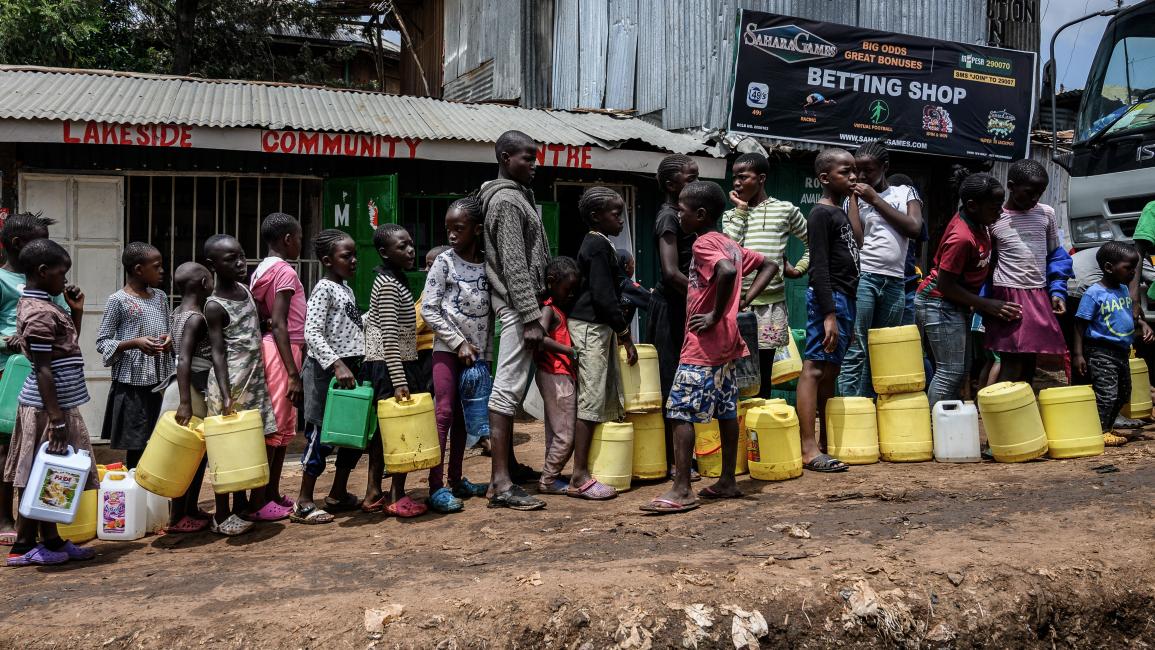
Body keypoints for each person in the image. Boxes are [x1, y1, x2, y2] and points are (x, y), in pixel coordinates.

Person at [642, 181, 777, 514]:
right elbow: (770, 264)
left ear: (700, 215)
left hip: (703, 345)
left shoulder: (704, 244)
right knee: (726, 411)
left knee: (679, 411)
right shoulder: (730, 243)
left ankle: (682, 490)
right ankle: (728, 480)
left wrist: (716, 312)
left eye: (683, 211)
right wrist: (742, 300)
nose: (678, 215)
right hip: (729, 346)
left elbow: (727, 270)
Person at [4, 238, 95, 566]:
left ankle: (49, 540)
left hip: (55, 406)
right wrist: (56, 420)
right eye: (61, 274)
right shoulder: (39, 311)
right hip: (46, 410)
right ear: (42, 273)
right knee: (42, 475)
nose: (66, 280)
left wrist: (76, 312)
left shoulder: (44, 303)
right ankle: (25, 545)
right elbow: (43, 368)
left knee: (51, 476)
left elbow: (64, 349)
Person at [480, 130, 550, 511]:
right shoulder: (507, 201)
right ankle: (500, 483)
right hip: (517, 308)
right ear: (506, 158)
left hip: (520, 307)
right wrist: (529, 315)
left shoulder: (519, 197)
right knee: (506, 390)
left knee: (514, 390)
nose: (535, 164)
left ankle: (507, 470)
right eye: (528, 157)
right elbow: (515, 265)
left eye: (535, 157)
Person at [915, 170, 1021, 407]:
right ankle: (934, 430)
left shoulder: (980, 224)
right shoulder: (962, 237)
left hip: (955, 303)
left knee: (959, 369)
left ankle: (949, 427)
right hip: (938, 302)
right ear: (973, 206)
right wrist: (987, 304)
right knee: (949, 372)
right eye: (995, 207)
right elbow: (944, 284)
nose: (1000, 211)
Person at [0, 213, 72, 547]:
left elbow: (63, 327)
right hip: (10, 372)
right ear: (18, 245)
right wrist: (9, 338)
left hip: (46, 372)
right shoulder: (3, 282)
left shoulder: (49, 287)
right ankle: (7, 518)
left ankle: (41, 531)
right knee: (9, 447)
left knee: (41, 451)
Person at [567, 187, 638, 501]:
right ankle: (579, 476)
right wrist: (624, 333)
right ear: (596, 216)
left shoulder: (601, 243)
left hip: (598, 328)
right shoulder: (596, 245)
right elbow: (603, 295)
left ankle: (594, 468)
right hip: (590, 328)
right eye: (615, 213)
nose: (621, 220)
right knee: (591, 400)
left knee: (602, 399)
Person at [837, 139, 923, 397]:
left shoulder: (905, 193)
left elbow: (914, 228)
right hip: (864, 278)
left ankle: (870, 408)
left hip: (896, 281)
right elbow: (857, 239)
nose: (861, 176)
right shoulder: (852, 200)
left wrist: (875, 200)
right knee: (857, 348)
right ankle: (850, 409)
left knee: (881, 349)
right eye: (856, 170)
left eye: (868, 170)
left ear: (885, 167)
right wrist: (854, 199)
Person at [421, 199, 491, 513]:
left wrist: (481, 351)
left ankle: (457, 478)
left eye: (458, 229)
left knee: (465, 419)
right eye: (448, 228)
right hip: (447, 350)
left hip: (478, 355)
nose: (451, 235)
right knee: (444, 413)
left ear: (476, 230)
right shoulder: (444, 263)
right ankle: (436, 487)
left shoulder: (489, 264)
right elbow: (430, 309)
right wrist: (458, 342)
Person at [203, 234, 275, 536]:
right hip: (230, 385)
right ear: (214, 265)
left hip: (254, 382)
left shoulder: (245, 291)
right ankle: (221, 514)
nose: (241, 263)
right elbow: (217, 351)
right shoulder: (214, 306)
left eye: (242, 255)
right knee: (226, 450)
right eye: (231, 259)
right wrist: (226, 393)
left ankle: (242, 505)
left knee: (248, 446)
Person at [293, 230, 366, 524]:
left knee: (351, 435)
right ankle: (304, 501)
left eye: (353, 255)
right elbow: (311, 333)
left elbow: (350, 324)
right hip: (327, 373)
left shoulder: (345, 289)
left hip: (350, 370)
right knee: (320, 437)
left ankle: (338, 493)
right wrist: (336, 364)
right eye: (346, 256)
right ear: (327, 260)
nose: (353, 260)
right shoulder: (323, 289)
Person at [722, 152, 809, 399]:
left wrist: (797, 269)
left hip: (770, 307)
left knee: (763, 374)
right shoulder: (731, 216)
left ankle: (760, 430)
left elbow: (813, 243)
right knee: (736, 372)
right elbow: (729, 250)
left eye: (743, 177)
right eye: (734, 178)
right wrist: (740, 210)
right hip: (737, 305)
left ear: (761, 178)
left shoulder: (785, 210)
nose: (737, 183)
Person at [797, 148, 862, 474]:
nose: (853, 177)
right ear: (824, 178)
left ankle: (822, 442)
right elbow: (819, 267)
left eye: (855, 172)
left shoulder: (839, 210)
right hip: (830, 298)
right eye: (845, 172)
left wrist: (852, 199)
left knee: (831, 371)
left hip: (844, 298)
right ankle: (808, 448)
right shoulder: (820, 214)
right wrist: (828, 314)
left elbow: (859, 240)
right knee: (814, 368)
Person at [360, 222, 427, 518]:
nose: (410, 250)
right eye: (402, 246)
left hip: (391, 364)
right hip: (392, 366)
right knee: (401, 428)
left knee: (384, 431)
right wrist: (400, 380)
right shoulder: (387, 284)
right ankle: (396, 495)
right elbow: (388, 334)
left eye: (411, 243)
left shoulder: (394, 278)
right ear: (384, 252)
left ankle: (374, 492)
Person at [985, 159, 1070, 383]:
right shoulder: (994, 218)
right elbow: (987, 262)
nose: (1034, 199)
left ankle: (1021, 410)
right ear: (1011, 186)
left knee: (1031, 358)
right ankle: (1001, 410)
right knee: (1011, 358)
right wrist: (984, 301)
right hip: (1007, 293)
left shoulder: (1046, 214)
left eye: (1039, 193)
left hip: (1038, 292)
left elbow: (1056, 256)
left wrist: (1057, 291)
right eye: (1030, 193)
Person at [247, 213, 305, 522]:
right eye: (298, 238)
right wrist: (293, 375)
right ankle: (259, 501)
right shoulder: (283, 272)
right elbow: (280, 324)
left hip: (276, 349)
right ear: (287, 239)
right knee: (274, 427)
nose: (300, 244)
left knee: (282, 427)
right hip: (282, 352)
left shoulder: (261, 270)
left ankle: (270, 493)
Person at [96, 242, 174, 469]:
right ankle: (136, 493)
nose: (162, 271)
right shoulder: (117, 300)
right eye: (157, 266)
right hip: (132, 384)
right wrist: (133, 343)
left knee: (160, 438)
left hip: (160, 380)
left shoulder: (160, 296)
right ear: (139, 269)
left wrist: (169, 340)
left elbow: (168, 329)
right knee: (137, 444)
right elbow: (102, 342)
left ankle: (155, 495)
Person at [647, 154, 700, 479]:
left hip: (684, 307)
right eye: (690, 179)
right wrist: (705, 298)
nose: (696, 183)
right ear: (671, 185)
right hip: (670, 309)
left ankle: (685, 456)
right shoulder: (668, 217)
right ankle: (672, 460)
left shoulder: (686, 218)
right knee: (671, 382)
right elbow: (670, 272)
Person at [1073, 242, 1154, 446]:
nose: (1133, 273)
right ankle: (1100, 431)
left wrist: (1143, 324)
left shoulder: (1123, 290)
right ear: (1109, 267)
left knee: (1123, 392)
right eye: (1128, 268)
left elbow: (1127, 315)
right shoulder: (1094, 293)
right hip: (1101, 351)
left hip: (1121, 351)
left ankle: (1109, 426)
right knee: (1107, 393)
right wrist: (1078, 354)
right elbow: (1080, 323)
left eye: (1135, 268)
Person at [160, 262, 215, 533]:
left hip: (183, 388)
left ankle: (189, 509)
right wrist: (184, 401)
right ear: (205, 283)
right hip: (189, 390)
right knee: (187, 456)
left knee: (193, 454)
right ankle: (177, 517)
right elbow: (184, 359)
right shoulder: (196, 317)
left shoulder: (177, 312)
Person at [535, 256, 579, 495]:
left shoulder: (556, 308)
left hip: (555, 373)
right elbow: (539, 338)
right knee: (566, 434)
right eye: (567, 289)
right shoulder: (549, 309)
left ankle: (549, 475)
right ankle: (549, 480)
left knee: (555, 432)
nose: (570, 294)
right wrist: (569, 350)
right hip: (556, 374)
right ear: (552, 282)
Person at [886, 173, 929, 326]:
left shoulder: (917, 221)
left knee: (903, 331)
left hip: (907, 283)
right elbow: (918, 252)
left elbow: (918, 250)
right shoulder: (882, 216)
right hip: (893, 280)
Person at [415, 245, 450, 397]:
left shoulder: (435, 289)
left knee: (427, 391)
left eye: (431, 265)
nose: (426, 270)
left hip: (428, 349)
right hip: (432, 347)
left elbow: (417, 322)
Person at [616, 249, 650, 325]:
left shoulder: (606, 281)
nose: (634, 267)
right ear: (626, 267)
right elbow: (652, 302)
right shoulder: (630, 286)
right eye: (633, 264)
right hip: (621, 334)